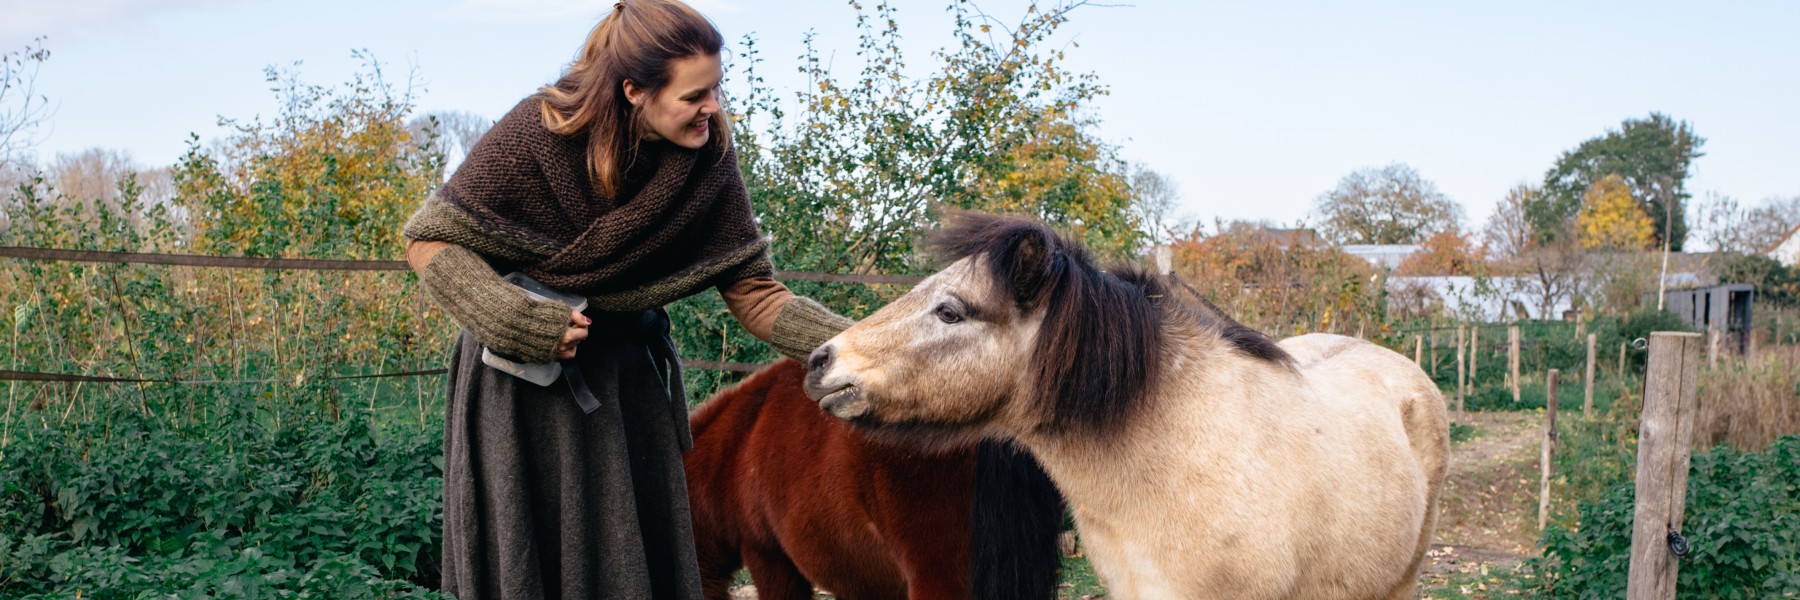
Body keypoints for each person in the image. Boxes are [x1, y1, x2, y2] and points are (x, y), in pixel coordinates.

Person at [401, 1, 851, 597]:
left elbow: (756, 291)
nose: (711, 108)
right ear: (635, 89)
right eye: (694, 96)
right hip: (523, 386)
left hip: (626, 388)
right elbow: (429, 238)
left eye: (716, 88)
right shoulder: (536, 134)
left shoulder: (708, 157)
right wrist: (509, 317)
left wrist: (863, 347)